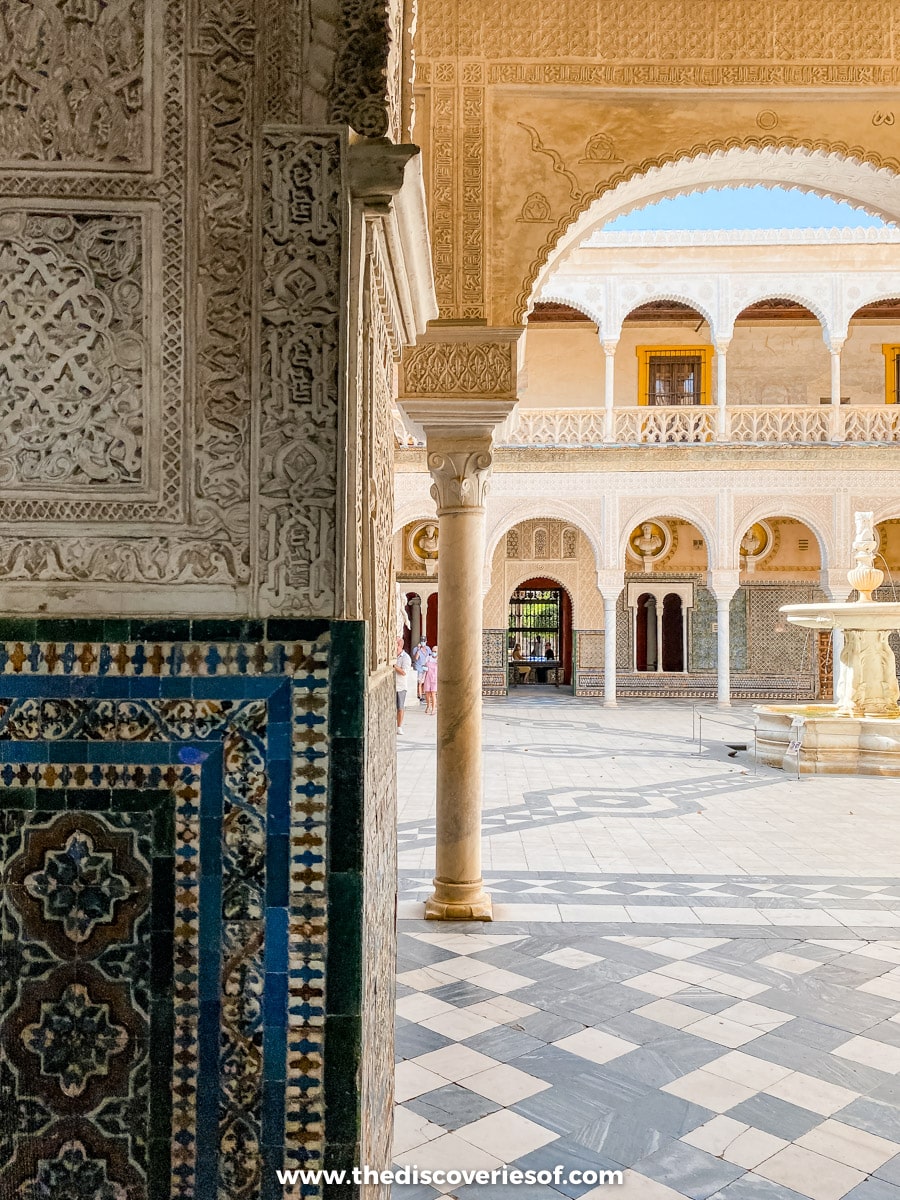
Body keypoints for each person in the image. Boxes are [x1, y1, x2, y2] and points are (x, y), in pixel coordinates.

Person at [394, 636, 411, 733]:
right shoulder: (393, 655)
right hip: (392, 685)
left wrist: (394, 666)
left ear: (399, 646)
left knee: (400, 707)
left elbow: (404, 672)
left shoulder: (406, 658)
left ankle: (399, 726)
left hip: (400, 686)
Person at [412, 636, 429, 701]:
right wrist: (419, 649)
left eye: (424, 641)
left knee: (423, 682)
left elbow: (429, 656)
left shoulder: (427, 649)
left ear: (426, 642)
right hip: (419, 667)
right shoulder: (416, 649)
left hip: (425, 667)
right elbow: (416, 658)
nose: (423, 642)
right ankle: (420, 696)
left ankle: (422, 693)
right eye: (422, 641)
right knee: (419, 682)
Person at [423, 646, 438, 714]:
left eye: (435, 651)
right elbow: (424, 666)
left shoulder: (439, 659)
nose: (433, 652)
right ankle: (428, 706)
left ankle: (433, 708)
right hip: (428, 677)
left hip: (435, 678)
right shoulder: (428, 658)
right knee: (427, 693)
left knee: (433, 693)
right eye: (432, 651)